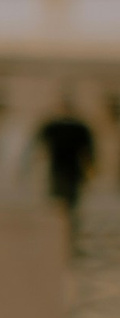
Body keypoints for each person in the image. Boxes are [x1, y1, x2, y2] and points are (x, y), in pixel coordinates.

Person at [34, 91, 99, 227]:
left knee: (65, 201)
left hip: (66, 169)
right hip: (67, 169)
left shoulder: (62, 126)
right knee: (66, 202)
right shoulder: (76, 127)